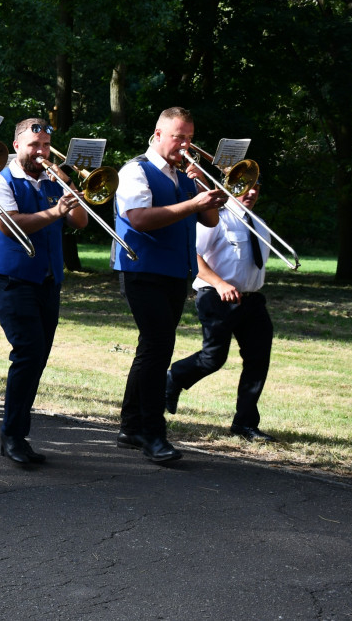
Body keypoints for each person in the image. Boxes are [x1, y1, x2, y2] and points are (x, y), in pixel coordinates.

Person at [112, 107, 227, 463]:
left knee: (151, 347)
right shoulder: (135, 171)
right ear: (158, 134)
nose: (185, 145)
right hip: (142, 269)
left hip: (176, 271)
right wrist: (192, 203)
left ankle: (131, 426)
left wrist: (205, 187)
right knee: (159, 347)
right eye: (179, 137)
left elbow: (210, 221)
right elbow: (139, 219)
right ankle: (153, 433)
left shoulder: (185, 174)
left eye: (190, 138)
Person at [0, 119, 88, 464]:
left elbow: (80, 222)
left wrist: (70, 190)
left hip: (47, 279)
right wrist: (56, 210)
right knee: (28, 352)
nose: (40, 152)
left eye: (45, 146)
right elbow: (10, 225)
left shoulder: (53, 180)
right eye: (33, 145)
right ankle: (12, 436)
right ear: (17, 146)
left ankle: (17, 433)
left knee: (38, 356)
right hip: (11, 277)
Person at [166, 181, 277, 442]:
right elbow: (192, 256)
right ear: (228, 187)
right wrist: (219, 283)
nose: (252, 192)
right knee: (213, 358)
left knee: (258, 360)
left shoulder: (259, 224)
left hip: (251, 300)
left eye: (257, 187)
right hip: (216, 297)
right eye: (245, 186)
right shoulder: (215, 220)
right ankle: (173, 378)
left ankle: (245, 423)